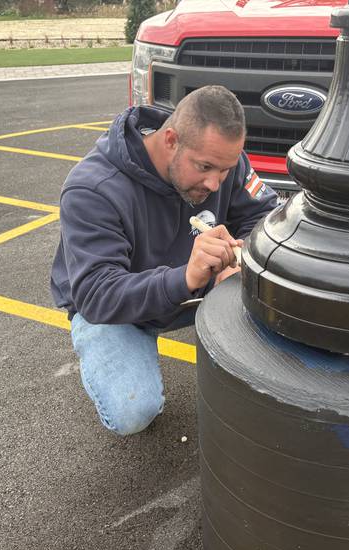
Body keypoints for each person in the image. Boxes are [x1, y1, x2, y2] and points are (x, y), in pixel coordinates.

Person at [50, 85, 278, 436]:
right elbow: (96, 294)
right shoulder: (92, 189)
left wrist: (239, 252)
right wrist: (183, 278)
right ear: (171, 139)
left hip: (194, 289)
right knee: (133, 411)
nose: (215, 184)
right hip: (117, 307)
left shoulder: (219, 158)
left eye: (225, 169)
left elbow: (267, 216)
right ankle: (113, 356)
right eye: (205, 168)